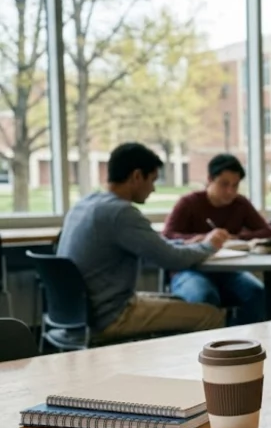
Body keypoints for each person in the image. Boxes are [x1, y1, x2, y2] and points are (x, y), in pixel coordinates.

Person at [58, 143, 228, 340]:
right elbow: (172, 260)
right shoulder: (121, 213)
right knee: (211, 316)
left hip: (77, 314)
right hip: (109, 316)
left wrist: (187, 245)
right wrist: (209, 246)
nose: (153, 188)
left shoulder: (86, 203)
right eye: (153, 180)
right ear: (137, 176)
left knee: (181, 301)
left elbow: (157, 248)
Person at [162, 154, 271, 326]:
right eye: (224, 184)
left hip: (228, 270)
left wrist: (237, 237)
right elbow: (167, 235)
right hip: (190, 269)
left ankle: (241, 345)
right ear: (209, 180)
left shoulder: (240, 204)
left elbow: (267, 232)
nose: (230, 191)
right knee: (204, 295)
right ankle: (210, 349)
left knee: (256, 293)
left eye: (235, 186)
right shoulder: (189, 203)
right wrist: (198, 239)